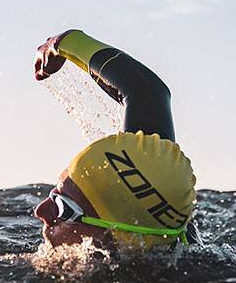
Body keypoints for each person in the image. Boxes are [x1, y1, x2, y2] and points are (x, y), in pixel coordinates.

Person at [33, 29, 197, 250]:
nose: (41, 211)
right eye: (55, 193)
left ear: (116, 240)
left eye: (64, 208)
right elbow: (147, 92)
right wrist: (65, 42)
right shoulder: (161, 215)